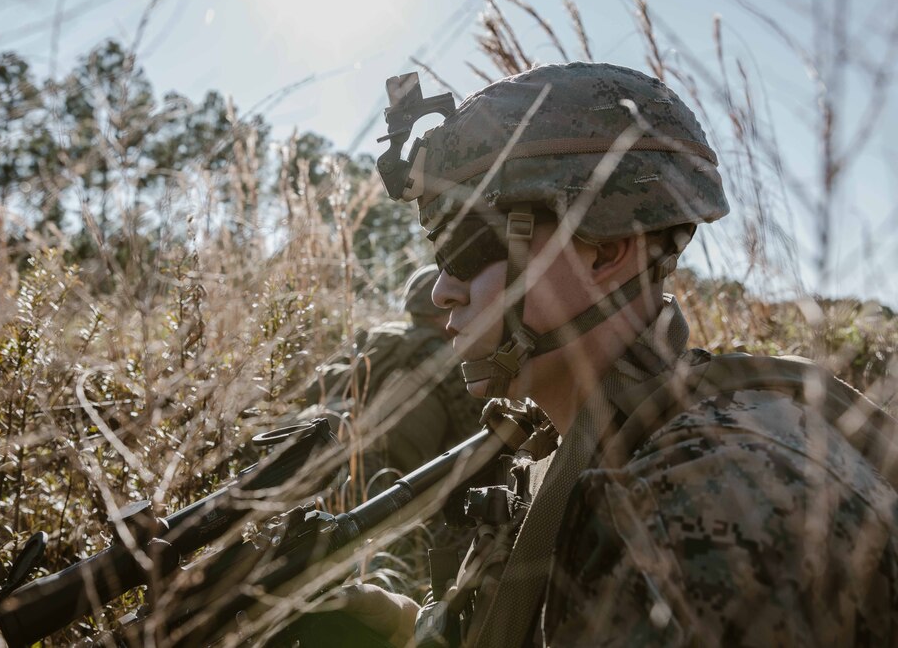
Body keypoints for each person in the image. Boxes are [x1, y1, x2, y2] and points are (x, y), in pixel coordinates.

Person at [319, 62, 898, 647]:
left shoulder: (696, 494)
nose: (443, 288)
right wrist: (396, 629)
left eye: (469, 246)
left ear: (604, 253)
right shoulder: (570, 441)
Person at [298, 264, 485, 481]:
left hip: (314, 440)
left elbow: (313, 388)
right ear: (445, 307)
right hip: (378, 473)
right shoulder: (445, 356)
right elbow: (476, 436)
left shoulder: (379, 335)